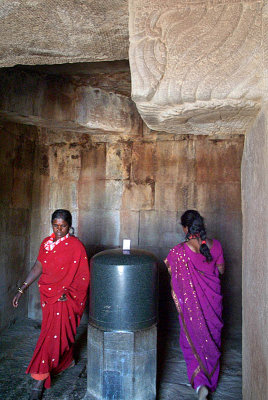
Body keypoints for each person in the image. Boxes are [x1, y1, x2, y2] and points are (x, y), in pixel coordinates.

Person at [12, 209, 90, 400]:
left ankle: (39, 380)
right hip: (47, 295)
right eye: (56, 225)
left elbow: (83, 277)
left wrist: (69, 294)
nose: (59, 229)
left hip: (64, 298)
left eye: (63, 226)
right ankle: (66, 361)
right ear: (52, 224)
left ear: (69, 226)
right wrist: (22, 289)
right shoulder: (46, 243)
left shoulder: (76, 246)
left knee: (52, 336)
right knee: (55, 332)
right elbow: (39, 266)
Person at [164, 210, 225, 400]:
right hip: (213, 305)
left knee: (190, 341)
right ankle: (210, 382)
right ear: (202, 225)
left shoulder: (178, 252)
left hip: (192, 310)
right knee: (212, 341)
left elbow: (172, 272)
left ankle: (200, 385)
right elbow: (221, 271)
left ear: (185, 228)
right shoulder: (216, 246)